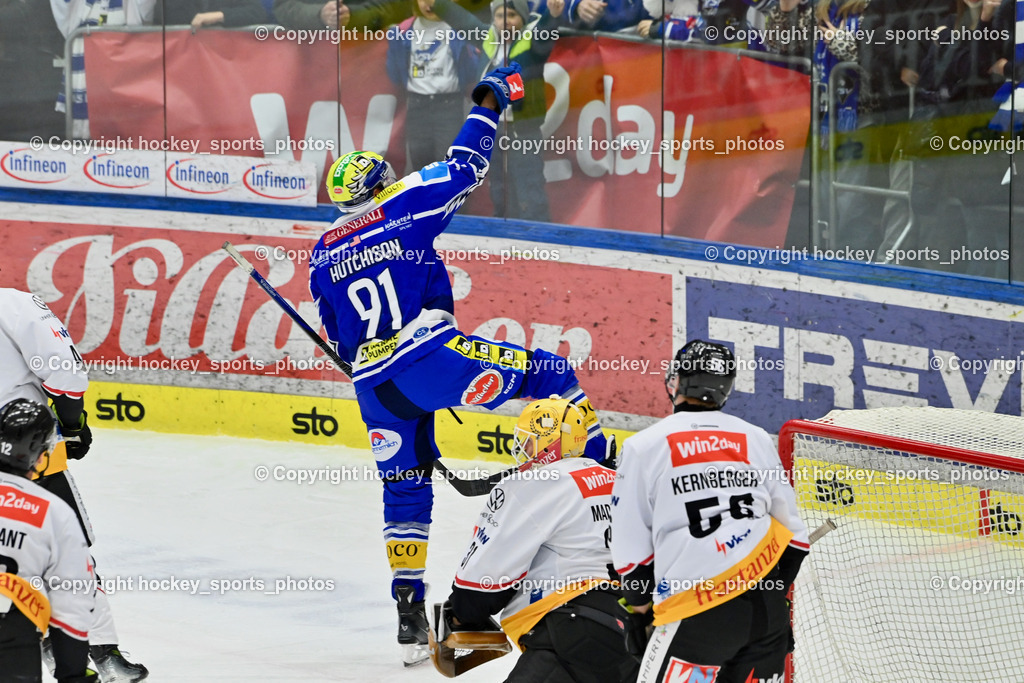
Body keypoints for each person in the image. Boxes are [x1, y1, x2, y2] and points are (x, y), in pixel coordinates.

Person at [308, 63, 613, 664]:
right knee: (551, 375)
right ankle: (609, 485)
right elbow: (466, 165)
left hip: (376, 387)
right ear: (381, 183)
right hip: (428, 359)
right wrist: (489, 101)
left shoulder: (323, 253)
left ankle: (407, 611)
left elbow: (342, 341)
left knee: (404, 489)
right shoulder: (402, 205)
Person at [611, 340, 810, 683]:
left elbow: (630, 548)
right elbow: (797, 539)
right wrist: (773, 593)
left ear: (680, 381)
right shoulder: (757, 438)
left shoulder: (644, 446)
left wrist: (639, 609)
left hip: (698, 613)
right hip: (766, 615)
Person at [437, 397, 642, 682]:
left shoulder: (533, 484)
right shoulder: (622, 481)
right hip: (640, 636)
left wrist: (461, 613)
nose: (523, 449)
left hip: (573, 632)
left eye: (529, 441)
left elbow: (484, 580)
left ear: (550, 443)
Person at [0, 288, 148, 681]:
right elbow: (62, 368)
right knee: (67, 550)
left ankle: (45, 644)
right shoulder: (11, 303)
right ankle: (99, 651)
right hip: (25, 447)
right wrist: (72, 424)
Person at [430, 0, 563, 221]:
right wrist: (438, 4)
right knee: (499, 189)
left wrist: (553, 15)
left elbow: (545, 36)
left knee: (530, 191)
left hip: (523, 132)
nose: (505, 22)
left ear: (522, 19)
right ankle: (504, 243)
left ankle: (537, 245)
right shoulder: (489, 37)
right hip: (494, 130)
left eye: (511, 15)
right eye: (500, 16)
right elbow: (464, 21)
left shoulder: (532, 41)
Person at [0, 399, 97, 683]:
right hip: (13, 637)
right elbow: (72, 602)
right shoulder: (54, 513)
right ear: (43, 457)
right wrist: (74, 675)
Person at [386, 0, 484, 172]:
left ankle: (452, 200)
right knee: (420, 165)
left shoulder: (459, 29)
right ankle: (426, 200)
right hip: (417, 106)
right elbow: (394, 71)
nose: (429, 3)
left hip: (449, 106)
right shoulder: (403, 31)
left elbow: (472, 69)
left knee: (449, 166)